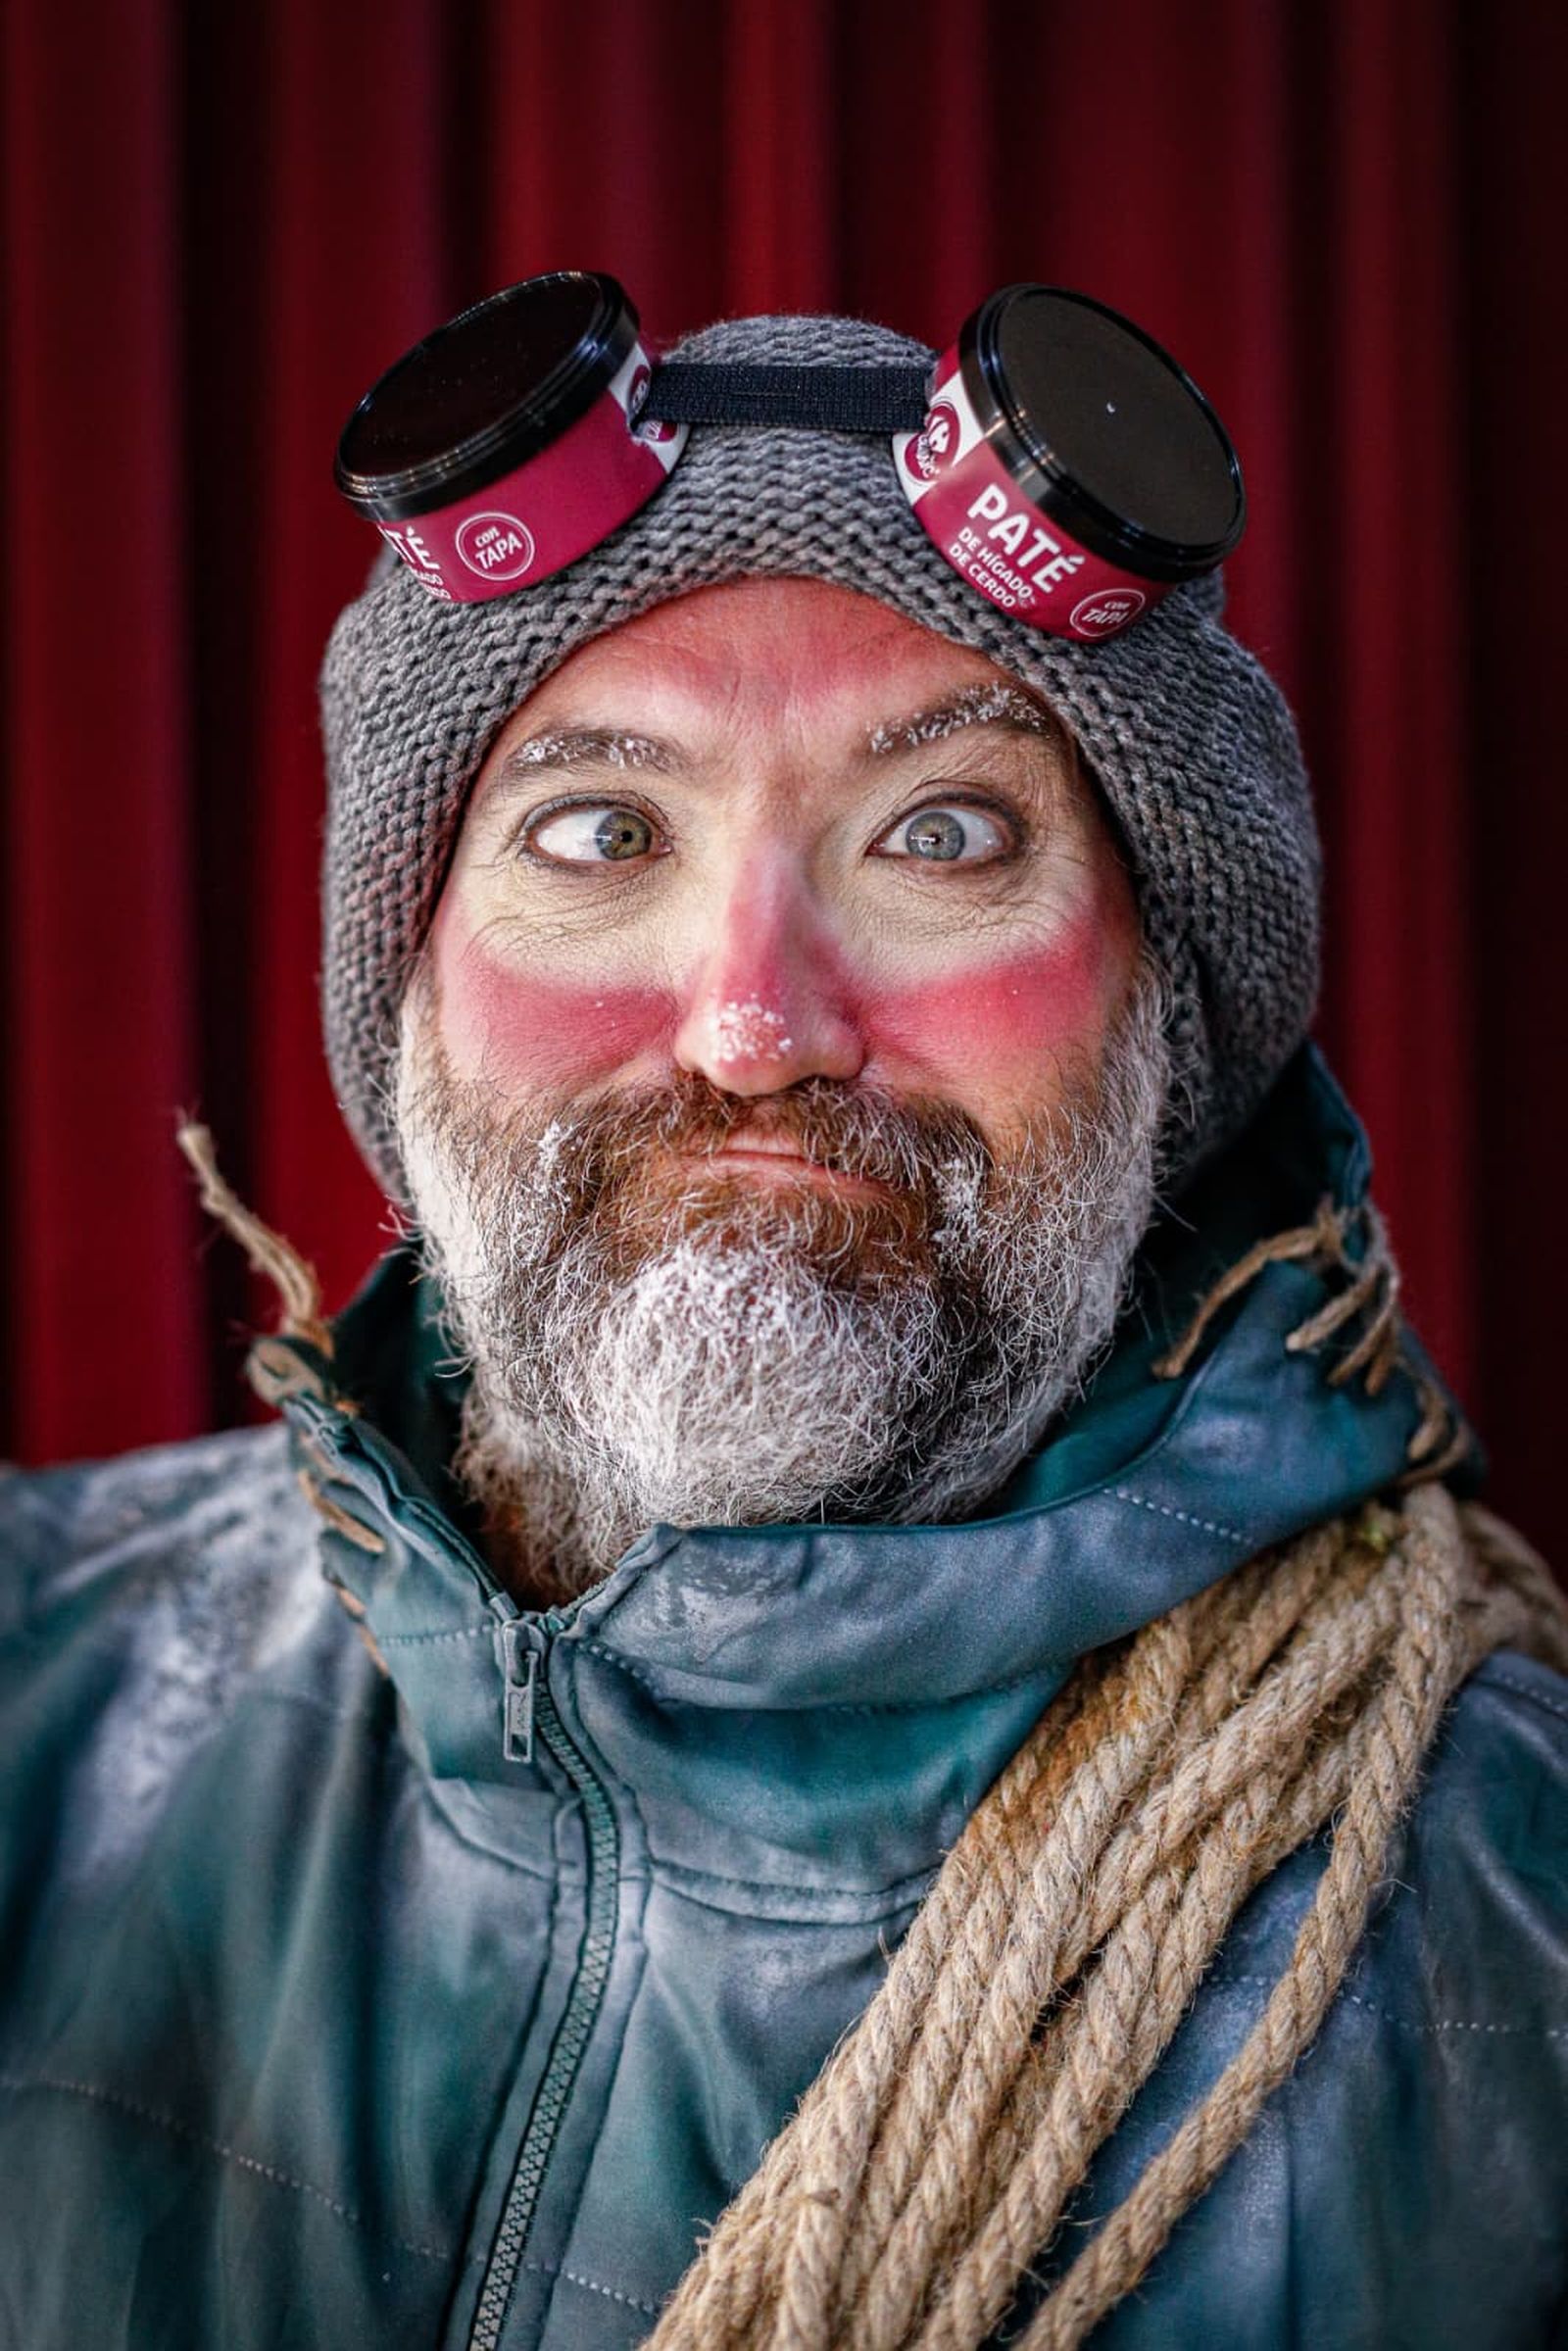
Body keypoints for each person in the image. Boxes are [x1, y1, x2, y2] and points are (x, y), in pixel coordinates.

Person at [2, 309, 1565, 2351]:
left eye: (941, 835)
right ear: (411, 994)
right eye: (597, 832)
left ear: (1154, 1030)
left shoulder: (1510, 1927)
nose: (751, 1027)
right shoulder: (42, 1708)